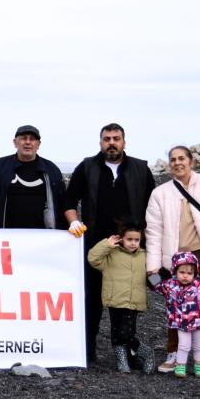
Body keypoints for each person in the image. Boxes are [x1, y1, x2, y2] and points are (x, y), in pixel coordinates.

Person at [63, 123, 156, 363]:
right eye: (107, 139)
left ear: (124, 142)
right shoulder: (87, 167)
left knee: (126, 304)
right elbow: (69, 200)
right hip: (96, 246)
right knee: (91, 300)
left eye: (116, 138)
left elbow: (153, 206)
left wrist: (150, 243)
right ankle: (86, 351)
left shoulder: (140, 169)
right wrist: (74, 222)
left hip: (131, 248)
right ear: (100, 142)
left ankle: (128, 354)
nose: (111, 143)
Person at [145, 145, 200, 377]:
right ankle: (174, 354)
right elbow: (153, 231)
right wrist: (153, 266)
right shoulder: (160, 193)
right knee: (174, 304)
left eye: (181, 158)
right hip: (173, 257)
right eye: (173, 159)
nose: (177, 162)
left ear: (191, 161)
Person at [86, 220, 155, 374]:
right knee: (116, 335)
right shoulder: (111, 254)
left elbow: (153, 280)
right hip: (114, 300)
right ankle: (122, 362)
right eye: (129, 239)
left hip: (133, 301)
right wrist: (106, 244)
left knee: (126, 333)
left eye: (136, 240)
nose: (133, 243)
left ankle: (146, 353)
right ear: (121, 239)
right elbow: (92, 258)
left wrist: (157, 278)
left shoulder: (144, 256)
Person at [150, 251, 200, 378]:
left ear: (195, 273)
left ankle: (199, 367)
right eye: (182, 272)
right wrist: (154, 274)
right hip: (181, 323)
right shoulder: (170, 285)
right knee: (183, 345)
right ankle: (180, 366)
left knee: (199, 346)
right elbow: (156, 286)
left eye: (189, 273)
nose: (185, 276)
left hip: (199, 322)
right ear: (175, 271)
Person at [0, 125, 66, 229]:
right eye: (23, 138)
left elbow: (62, 202)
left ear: (38, 144)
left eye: (32, 139)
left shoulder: (51, 169)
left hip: (43, 235)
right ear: (15, 142)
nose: (28, 142)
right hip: (5, 233)